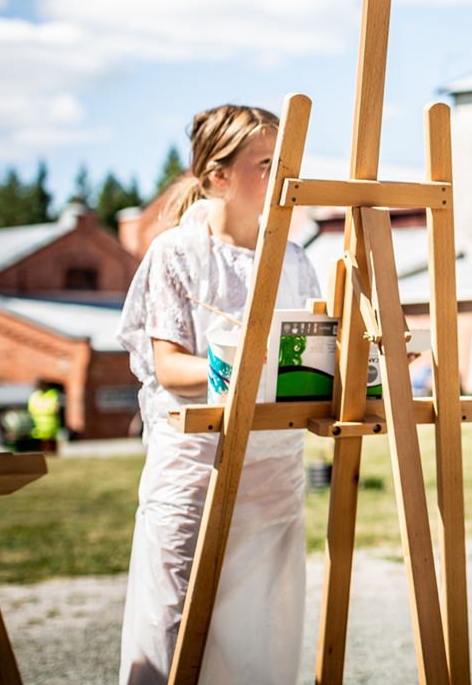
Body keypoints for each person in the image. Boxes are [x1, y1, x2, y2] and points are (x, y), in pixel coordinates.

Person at [117, 105, 322, 685]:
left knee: (261, 635)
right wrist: (238, 364)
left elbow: (304, 354)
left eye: (287, 162)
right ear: (217, 177)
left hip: (272, 477)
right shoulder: (175, 254)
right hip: (195, 474)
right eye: (266, 163)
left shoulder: (295, 258)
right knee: (176, 628)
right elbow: (169, 366)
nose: (284, 176)